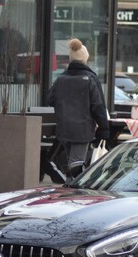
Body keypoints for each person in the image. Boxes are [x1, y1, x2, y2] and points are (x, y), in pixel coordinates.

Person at [46, 38, 109, 183]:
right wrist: (104, 128)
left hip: (64, 129)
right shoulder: (90, 78)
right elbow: (98, 106)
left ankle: (70, 186)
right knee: (76, 162)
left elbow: (50, 99)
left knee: (72, 161)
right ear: (85, 59)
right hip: (83, 130)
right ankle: (73, 192)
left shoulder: (61, 79)